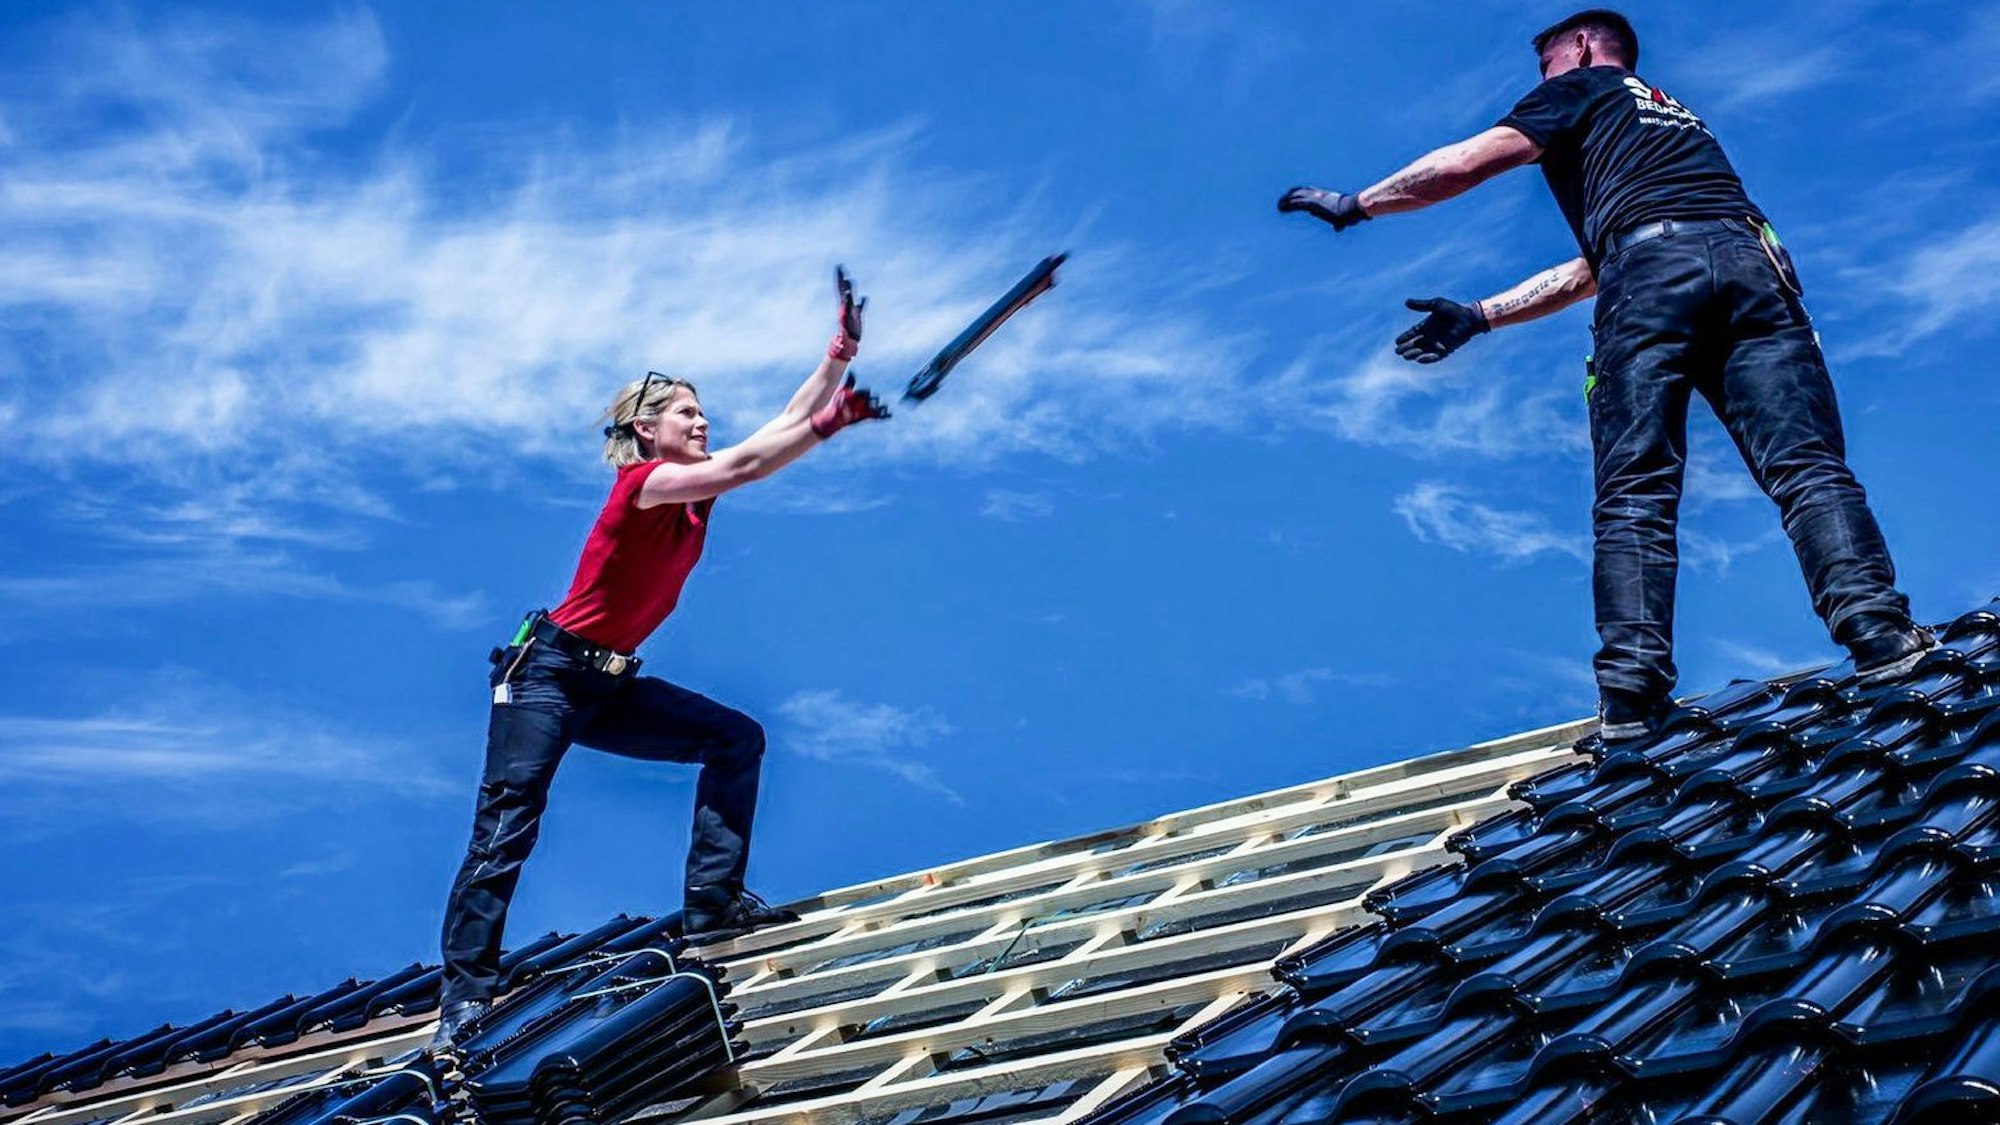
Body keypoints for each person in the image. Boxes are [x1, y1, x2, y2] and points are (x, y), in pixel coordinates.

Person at [1277, 9, 1933, 742]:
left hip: (1652, 276)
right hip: (1754, 268)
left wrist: (1356, 204)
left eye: (1545, 65)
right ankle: (1882, 638)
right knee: (1809, 468)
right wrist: (1481, 314)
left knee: (1635, 491)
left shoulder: (1585, 87)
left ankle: (1631, 699)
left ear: (1583, 48)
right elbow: (1609, 259)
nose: (1541, 82)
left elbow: (1465, 166)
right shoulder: (1681, 128)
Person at [432, 269, 889, 1048]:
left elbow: (776, 427)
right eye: (687, 412)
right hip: (545, 676)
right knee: (508, 821)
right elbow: (754, 461)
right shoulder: (645, 486)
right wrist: (831, 426)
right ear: (648, 430)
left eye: (704, 412)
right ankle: (464, 996)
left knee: (735, 737)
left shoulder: (691, 491)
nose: (704, 422)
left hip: (608, 683)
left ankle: (713, 904)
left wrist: (836, 359)